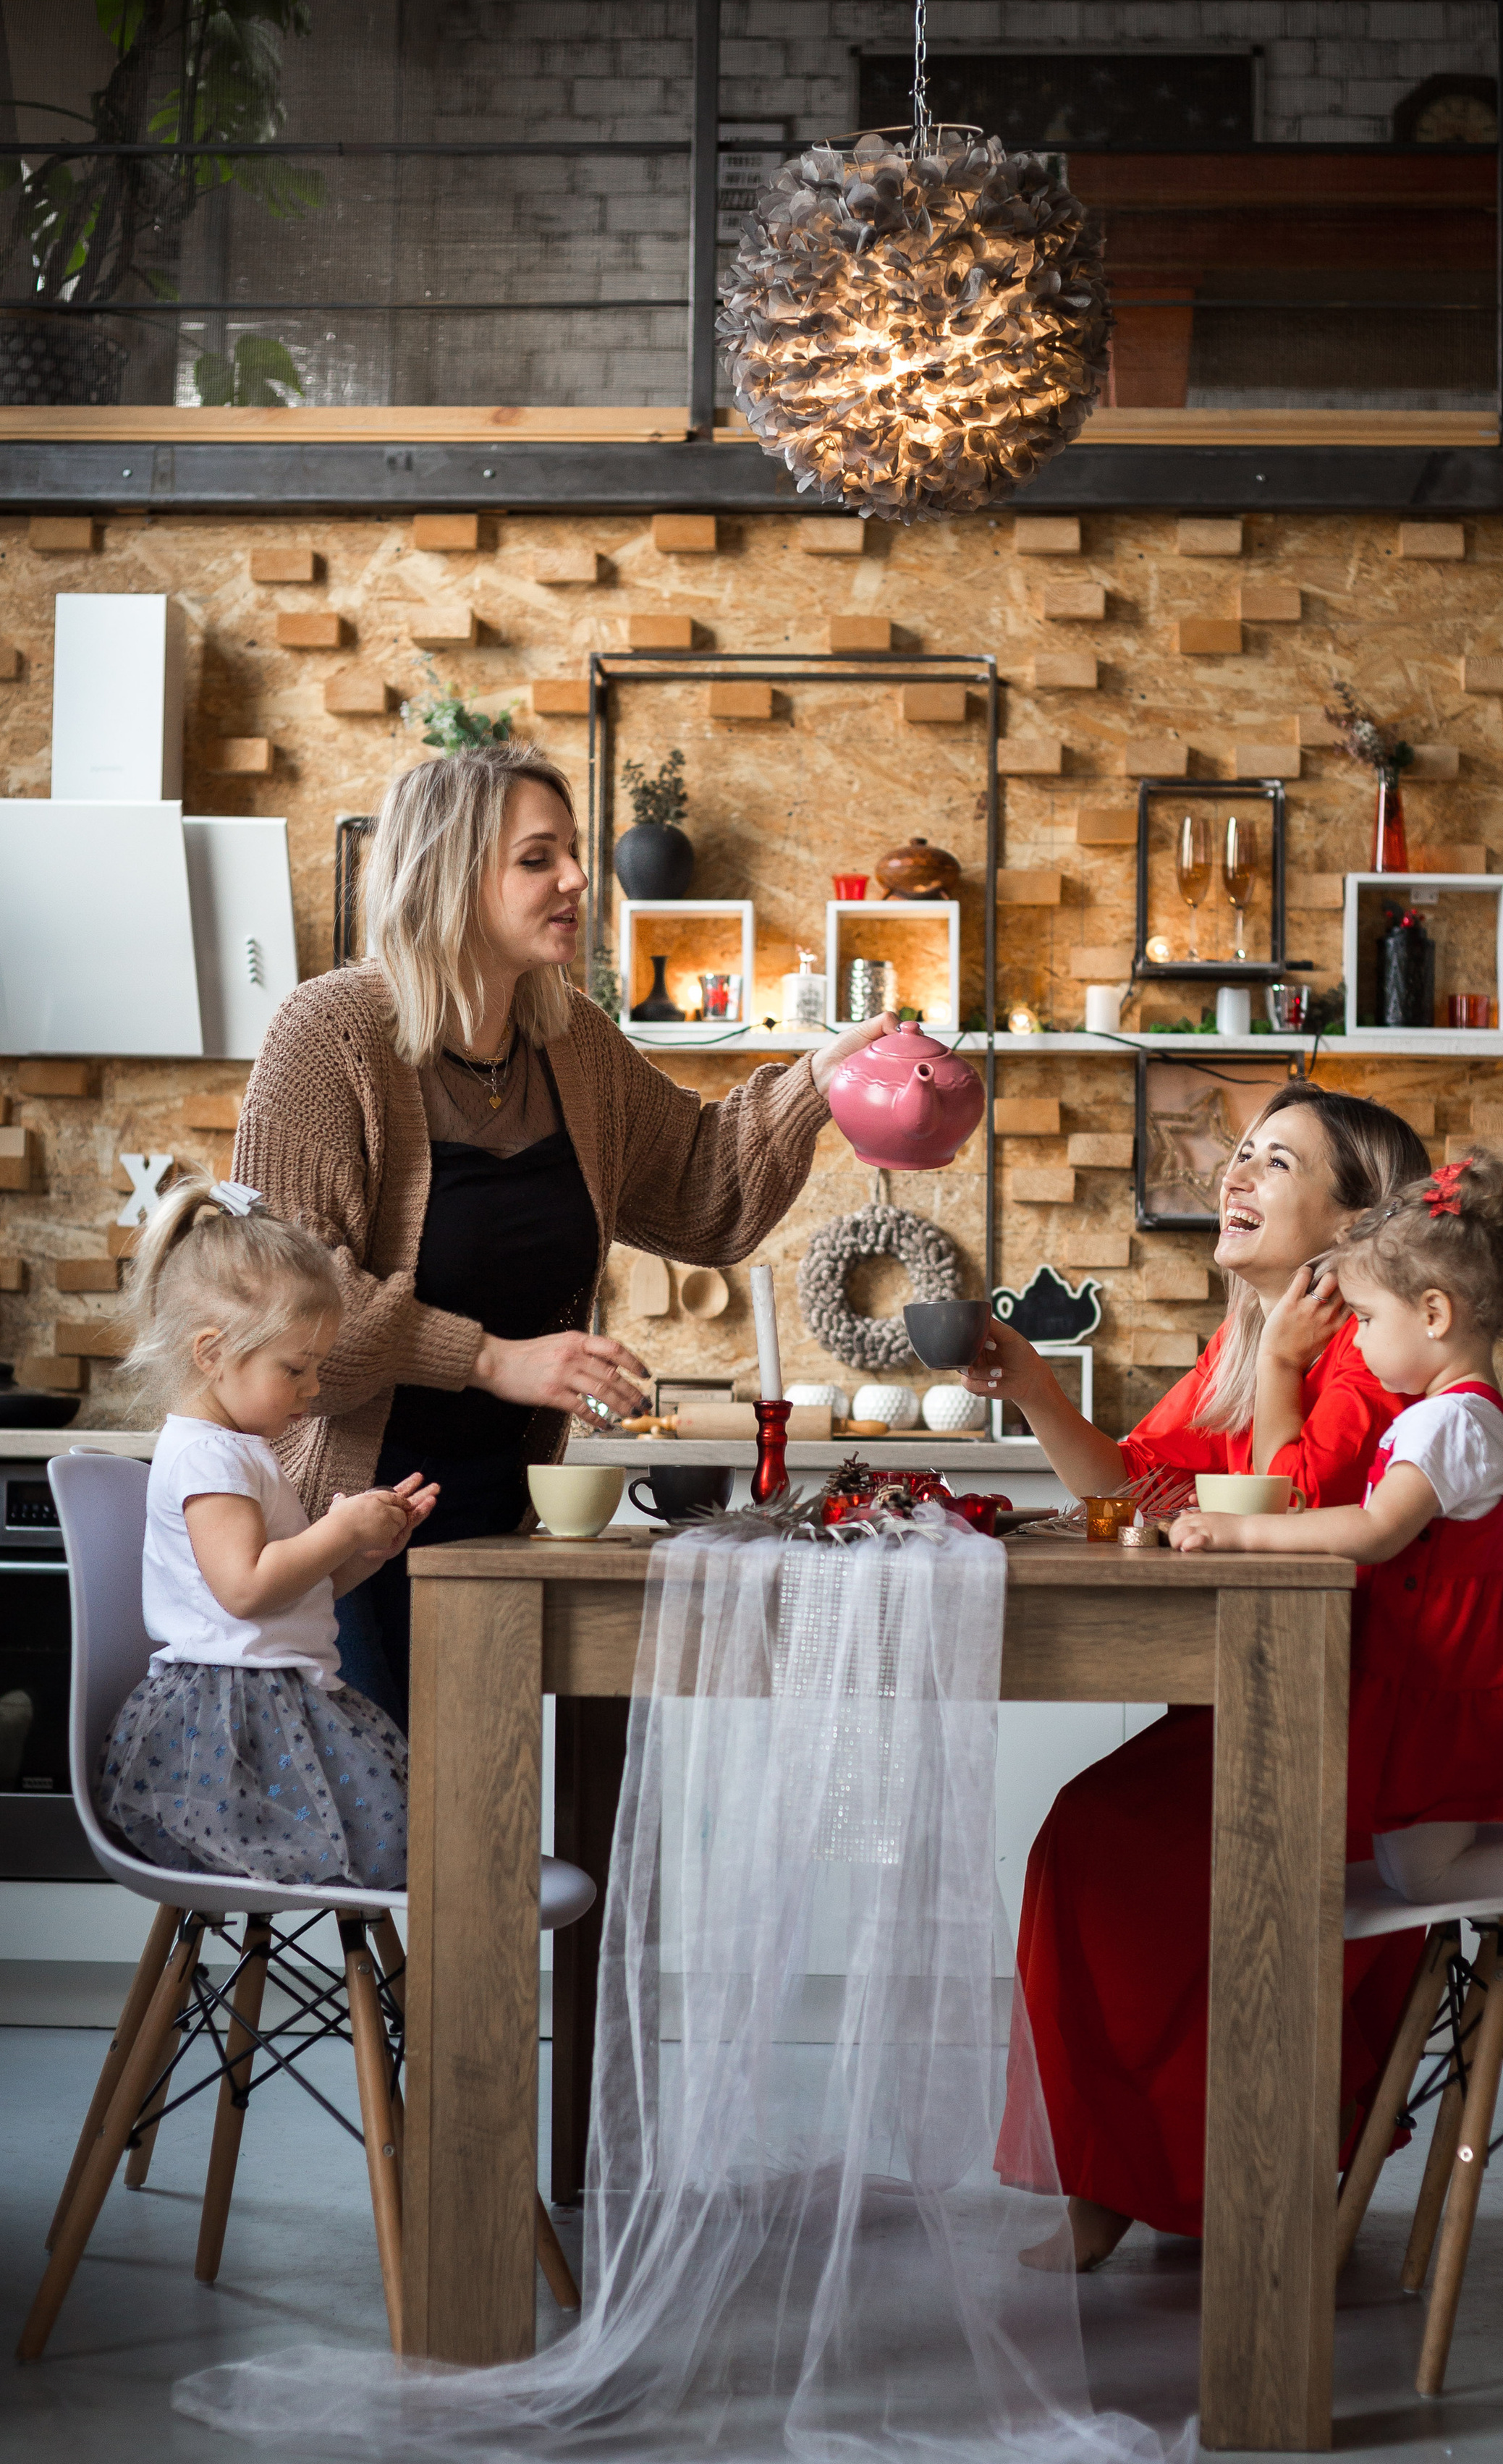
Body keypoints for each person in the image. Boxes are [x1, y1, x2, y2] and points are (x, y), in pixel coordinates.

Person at [229, 744, 889, 1728]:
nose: (579, 878)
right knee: (421, 1840)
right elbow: (281, 1314)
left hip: (500, 1523)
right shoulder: (330, 1037)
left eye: (571, 852)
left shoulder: (572, 1043)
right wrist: (494, 1359)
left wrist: (819, 1079)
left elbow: (704, 1196)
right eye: (539, 858)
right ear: (452, 874)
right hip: (337, 1529)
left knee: (494, 1821)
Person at [968, 1082, 1433, 2270]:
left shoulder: (1371, 1362)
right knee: (1085, 1840)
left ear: (1353, 1222)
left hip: (1352, 1722)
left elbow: (1291, 1516)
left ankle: (1171, 2171)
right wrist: (1033, 1387)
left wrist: (1284, 1366)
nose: (1238, 1175)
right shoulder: (1244, 1348)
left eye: (1277, 1163)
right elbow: (1127, 1484)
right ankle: (1140, 2170)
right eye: (1241, 1153)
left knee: (1101, 1841)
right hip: (1253, 1699)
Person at [1170, 1148, 1503, 1902]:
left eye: (1366, 1319)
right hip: (1436, 1680)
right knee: (1406, 1865)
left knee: (1422, 1875)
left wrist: (1239, 1532)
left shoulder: (1453, 1422)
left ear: (1433, 1314)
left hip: (1451, 1687)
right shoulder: (1449, 1416)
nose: (1357, 1343)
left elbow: (1374, 1530)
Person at [96, 1177, 437, 1887]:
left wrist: (365, 1550)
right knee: (415, 1843)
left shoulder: (236, 1450)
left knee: (421, 1836)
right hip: (231, 1724)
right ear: (212, 1352)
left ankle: (408, 1986)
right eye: (296, 1368)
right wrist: (339, 1530)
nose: (313, 1388)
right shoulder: (207, 1457)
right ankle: (417, 1988)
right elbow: (246, 1590)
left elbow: (292, 1593)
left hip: (265, 1702)